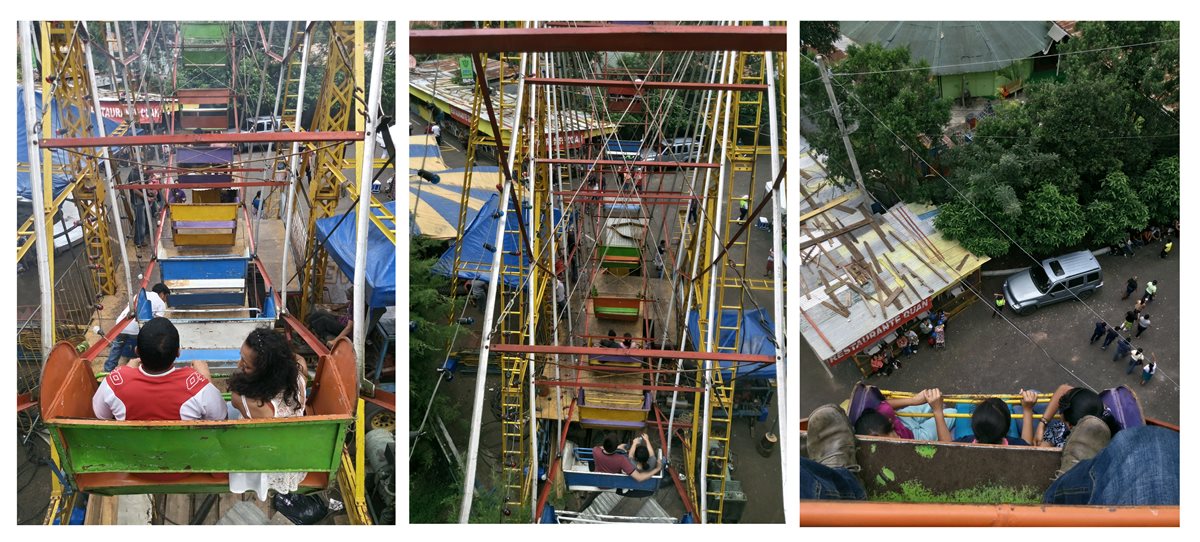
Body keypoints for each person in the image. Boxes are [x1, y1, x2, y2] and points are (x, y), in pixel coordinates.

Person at [802, 404, 1178, 507]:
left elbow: (945, 444)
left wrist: (929, 407)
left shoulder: (960, 441)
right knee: (1152, 446)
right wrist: (1033, 412)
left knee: (803, 480)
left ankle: (840, 484)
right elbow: (1036, 447)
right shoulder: (1020, 447)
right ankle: (1073, 486)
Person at [227, 328, 309, 499]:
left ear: (266, 373)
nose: (238, 365)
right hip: (293, 448)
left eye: (246, 365)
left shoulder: (252, 403)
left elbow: (234, 399)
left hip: (268, 457)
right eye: (241, 357)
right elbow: (296, 358)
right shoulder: (300, 373)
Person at [93, 317, 225, 422]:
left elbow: (100, 415)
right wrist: (206, 379)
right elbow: (221, 418)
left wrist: (126, 372)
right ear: (178, 353)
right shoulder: (198, 387)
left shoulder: (114, 383)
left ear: (137, 352)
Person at [103, 283, 171, 372]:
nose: (165, 300)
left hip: (121, 325)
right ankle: (141, 369)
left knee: (117, 346)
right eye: (166, 297)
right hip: (136, 328)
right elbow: (157, 322)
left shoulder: (139, 295)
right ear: (162, 294)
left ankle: (108, 370)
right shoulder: (160, 302)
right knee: (144, 348)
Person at [853, 388, 955, 442]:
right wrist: (937, 411)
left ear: (889, 421)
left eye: (892, 430)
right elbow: (947, 446)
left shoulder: (881, 414)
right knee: (952, 413)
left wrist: (913, 401)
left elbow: (885, 405)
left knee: (930, 401)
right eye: (889, 438)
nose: (898, 438)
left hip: (905, 421)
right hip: (915, 438)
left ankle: (936, 409)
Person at [1034, 384, 1118, 448]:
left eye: (1060, 412)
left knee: (1022, 408)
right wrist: (1042, 423)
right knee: (1033, 393)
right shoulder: (1101, 411)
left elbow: (1037, 450)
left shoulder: (1069, 446)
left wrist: (1027, 410)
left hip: (1056, 437)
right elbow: (1064, 389)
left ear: (1069, 426)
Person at [954, 393, 1036, 446]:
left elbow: (946, 446)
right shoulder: (1015, 444)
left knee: (963, 403)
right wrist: (1027, 410)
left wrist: (940, 412)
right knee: (1006, 399)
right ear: (1007, 429)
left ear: (973, 427)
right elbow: (1026, 446)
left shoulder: (964, 442)